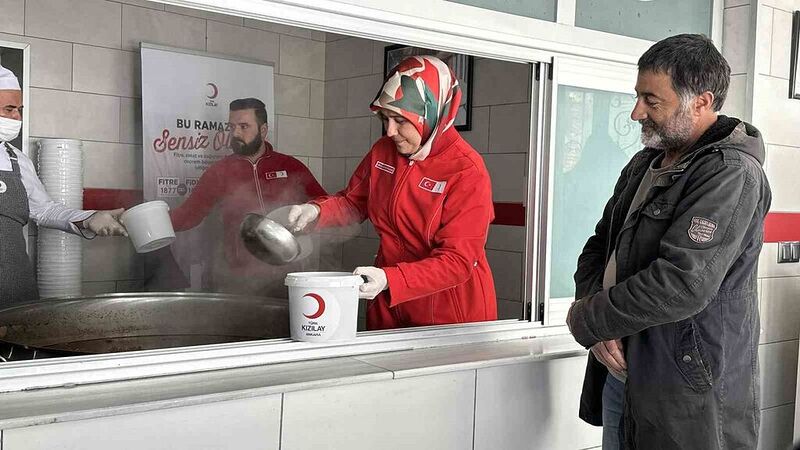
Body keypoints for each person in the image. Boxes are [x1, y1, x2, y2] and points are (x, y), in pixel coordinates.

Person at [566, 34, 771, 449]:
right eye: (638, 96)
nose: (636, 112)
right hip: (622, 371)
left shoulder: (730, 174)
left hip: (684, 387)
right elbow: (598, 247)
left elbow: (682, 283)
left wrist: (588, 319)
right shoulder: (645, 163)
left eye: (651, 100)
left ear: (701, 101)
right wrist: (601, 324)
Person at [286, 55, 497, 330]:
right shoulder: (383, 151)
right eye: (386, 118)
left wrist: (391, 279)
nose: (390, 131)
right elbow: (353, 202)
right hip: (388, 301)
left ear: (432, 114)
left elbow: (457, 262)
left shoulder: (466, 170)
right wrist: (315, 211)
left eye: (400, 120)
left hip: (447, 311)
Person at [168, 97, 326, 295]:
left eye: (244, 126)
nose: (235, 133)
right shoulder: (220, 172)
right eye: (231, 126)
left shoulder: (289, 166)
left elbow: (323, 205)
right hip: (237, 276)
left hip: (286, 274)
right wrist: (146, 222)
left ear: (263, 130)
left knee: (283, 325)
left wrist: (306, 226)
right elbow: (188, 215)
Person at [0, 65, 127, 307]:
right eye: (9, 109)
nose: (17, 117)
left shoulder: (16, 160)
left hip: (16, 290)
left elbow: (45, 210)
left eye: (19, 110)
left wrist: (89, 219)